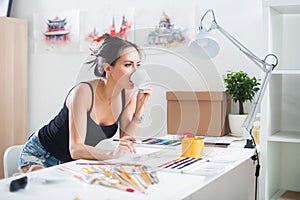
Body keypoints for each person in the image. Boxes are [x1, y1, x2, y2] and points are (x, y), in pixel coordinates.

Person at [19, 36, 152, 173]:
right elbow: (76, 149)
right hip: (41, 155)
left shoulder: (128, 94)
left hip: (72, 163)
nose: (136, 71)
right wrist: (113, 155)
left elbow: (127, 141)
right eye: (128, 65)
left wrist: (140, 106)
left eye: (138, 65)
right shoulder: (83, 93)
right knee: (46, 188)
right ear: (108, 68)